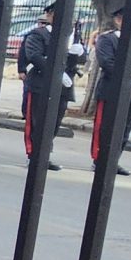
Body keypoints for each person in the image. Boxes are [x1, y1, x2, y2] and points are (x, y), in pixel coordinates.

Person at [16, 9, 84, 170]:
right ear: (49, 16)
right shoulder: (38, 34)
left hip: (63, 87)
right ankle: (33, 155)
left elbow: (80, 60)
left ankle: (44, 154)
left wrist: (79, 53)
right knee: (37, 122)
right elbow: (35, 56)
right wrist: (57, 73)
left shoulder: (70, 37)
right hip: (41, 84)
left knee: (54, 123)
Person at [90, 11, 131, 173]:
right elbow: (107, 62)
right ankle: (100, 159)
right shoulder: (108, 38)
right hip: (111, 89)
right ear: (118, 20)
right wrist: (129, 78)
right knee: (105, 127)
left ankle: (113, 160)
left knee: (124, 128)